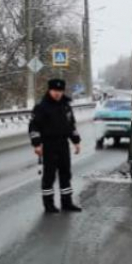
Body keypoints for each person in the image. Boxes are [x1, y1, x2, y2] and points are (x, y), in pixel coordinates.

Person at [29, 78, 82, 213]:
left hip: (63, 144)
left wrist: (76, 141)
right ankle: (49, 204)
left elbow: (71, 125)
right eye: (54, 91)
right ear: (49, 90)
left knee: (66, 174)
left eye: (60, 91)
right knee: (49, 175)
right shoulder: (42, 106)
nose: (57, 93)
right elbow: (33, 127)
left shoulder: (66, 105)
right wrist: (37, 144)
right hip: (48, 144)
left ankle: (67, 202)